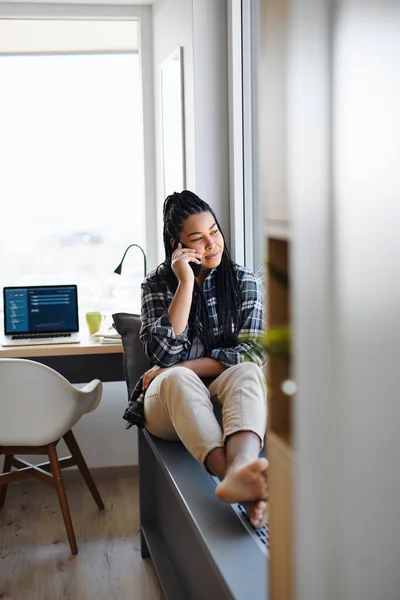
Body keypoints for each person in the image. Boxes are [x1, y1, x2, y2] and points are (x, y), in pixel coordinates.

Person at [123, 190, 268, 527]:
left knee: (247, 370)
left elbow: (251, 352)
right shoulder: (156, 286)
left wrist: (185, 366)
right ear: (178, 244)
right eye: (198, 239)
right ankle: (232, 479)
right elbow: (163, 355)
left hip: (218, 395)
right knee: (175, 378)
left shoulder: (243, 281)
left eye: (214, 232)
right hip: (168, 408)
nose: (212, 244)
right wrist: (185, 282)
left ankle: (242, 470)